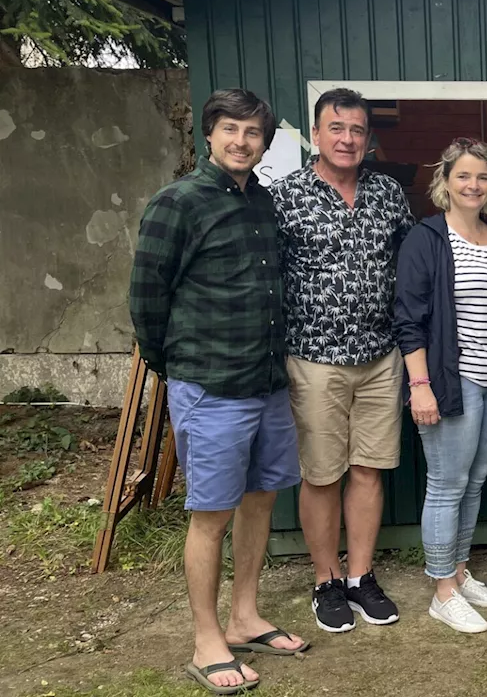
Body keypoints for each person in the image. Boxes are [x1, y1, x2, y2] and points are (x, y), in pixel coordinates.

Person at [130, 88, 307, 695]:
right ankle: (208, 639)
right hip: (212, 386)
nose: (241, 141)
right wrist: (177, 364)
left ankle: (245, 614)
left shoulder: (261, 201)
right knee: (210, 516)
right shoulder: (177, 203)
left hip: (266, 382)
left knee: (260, 500)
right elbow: (147, 299)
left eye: (253, 133)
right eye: (230, 129)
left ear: (264, 142)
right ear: (210, 135)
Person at [270, 88, 412, 633]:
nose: (348, 139)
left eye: (356, 130)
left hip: (381, 355)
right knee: (323, 474)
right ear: (317, 132)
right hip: (314, 357)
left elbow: (407, 264)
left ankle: (361, 576)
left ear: (367, 136)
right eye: (337, 128)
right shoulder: (287, 196)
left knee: (369, 470)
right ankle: (326, 580)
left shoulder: (388, 193)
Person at [394, 138, 487, 634]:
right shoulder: (428, 238)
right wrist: (420, 384)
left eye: (483, 177)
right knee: (447, 486)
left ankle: (460, 570)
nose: (473, 185)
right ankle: (442, 590)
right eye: (464, 176)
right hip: (453, 380)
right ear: (445, 181)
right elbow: (409, 318)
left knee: (474, 481)